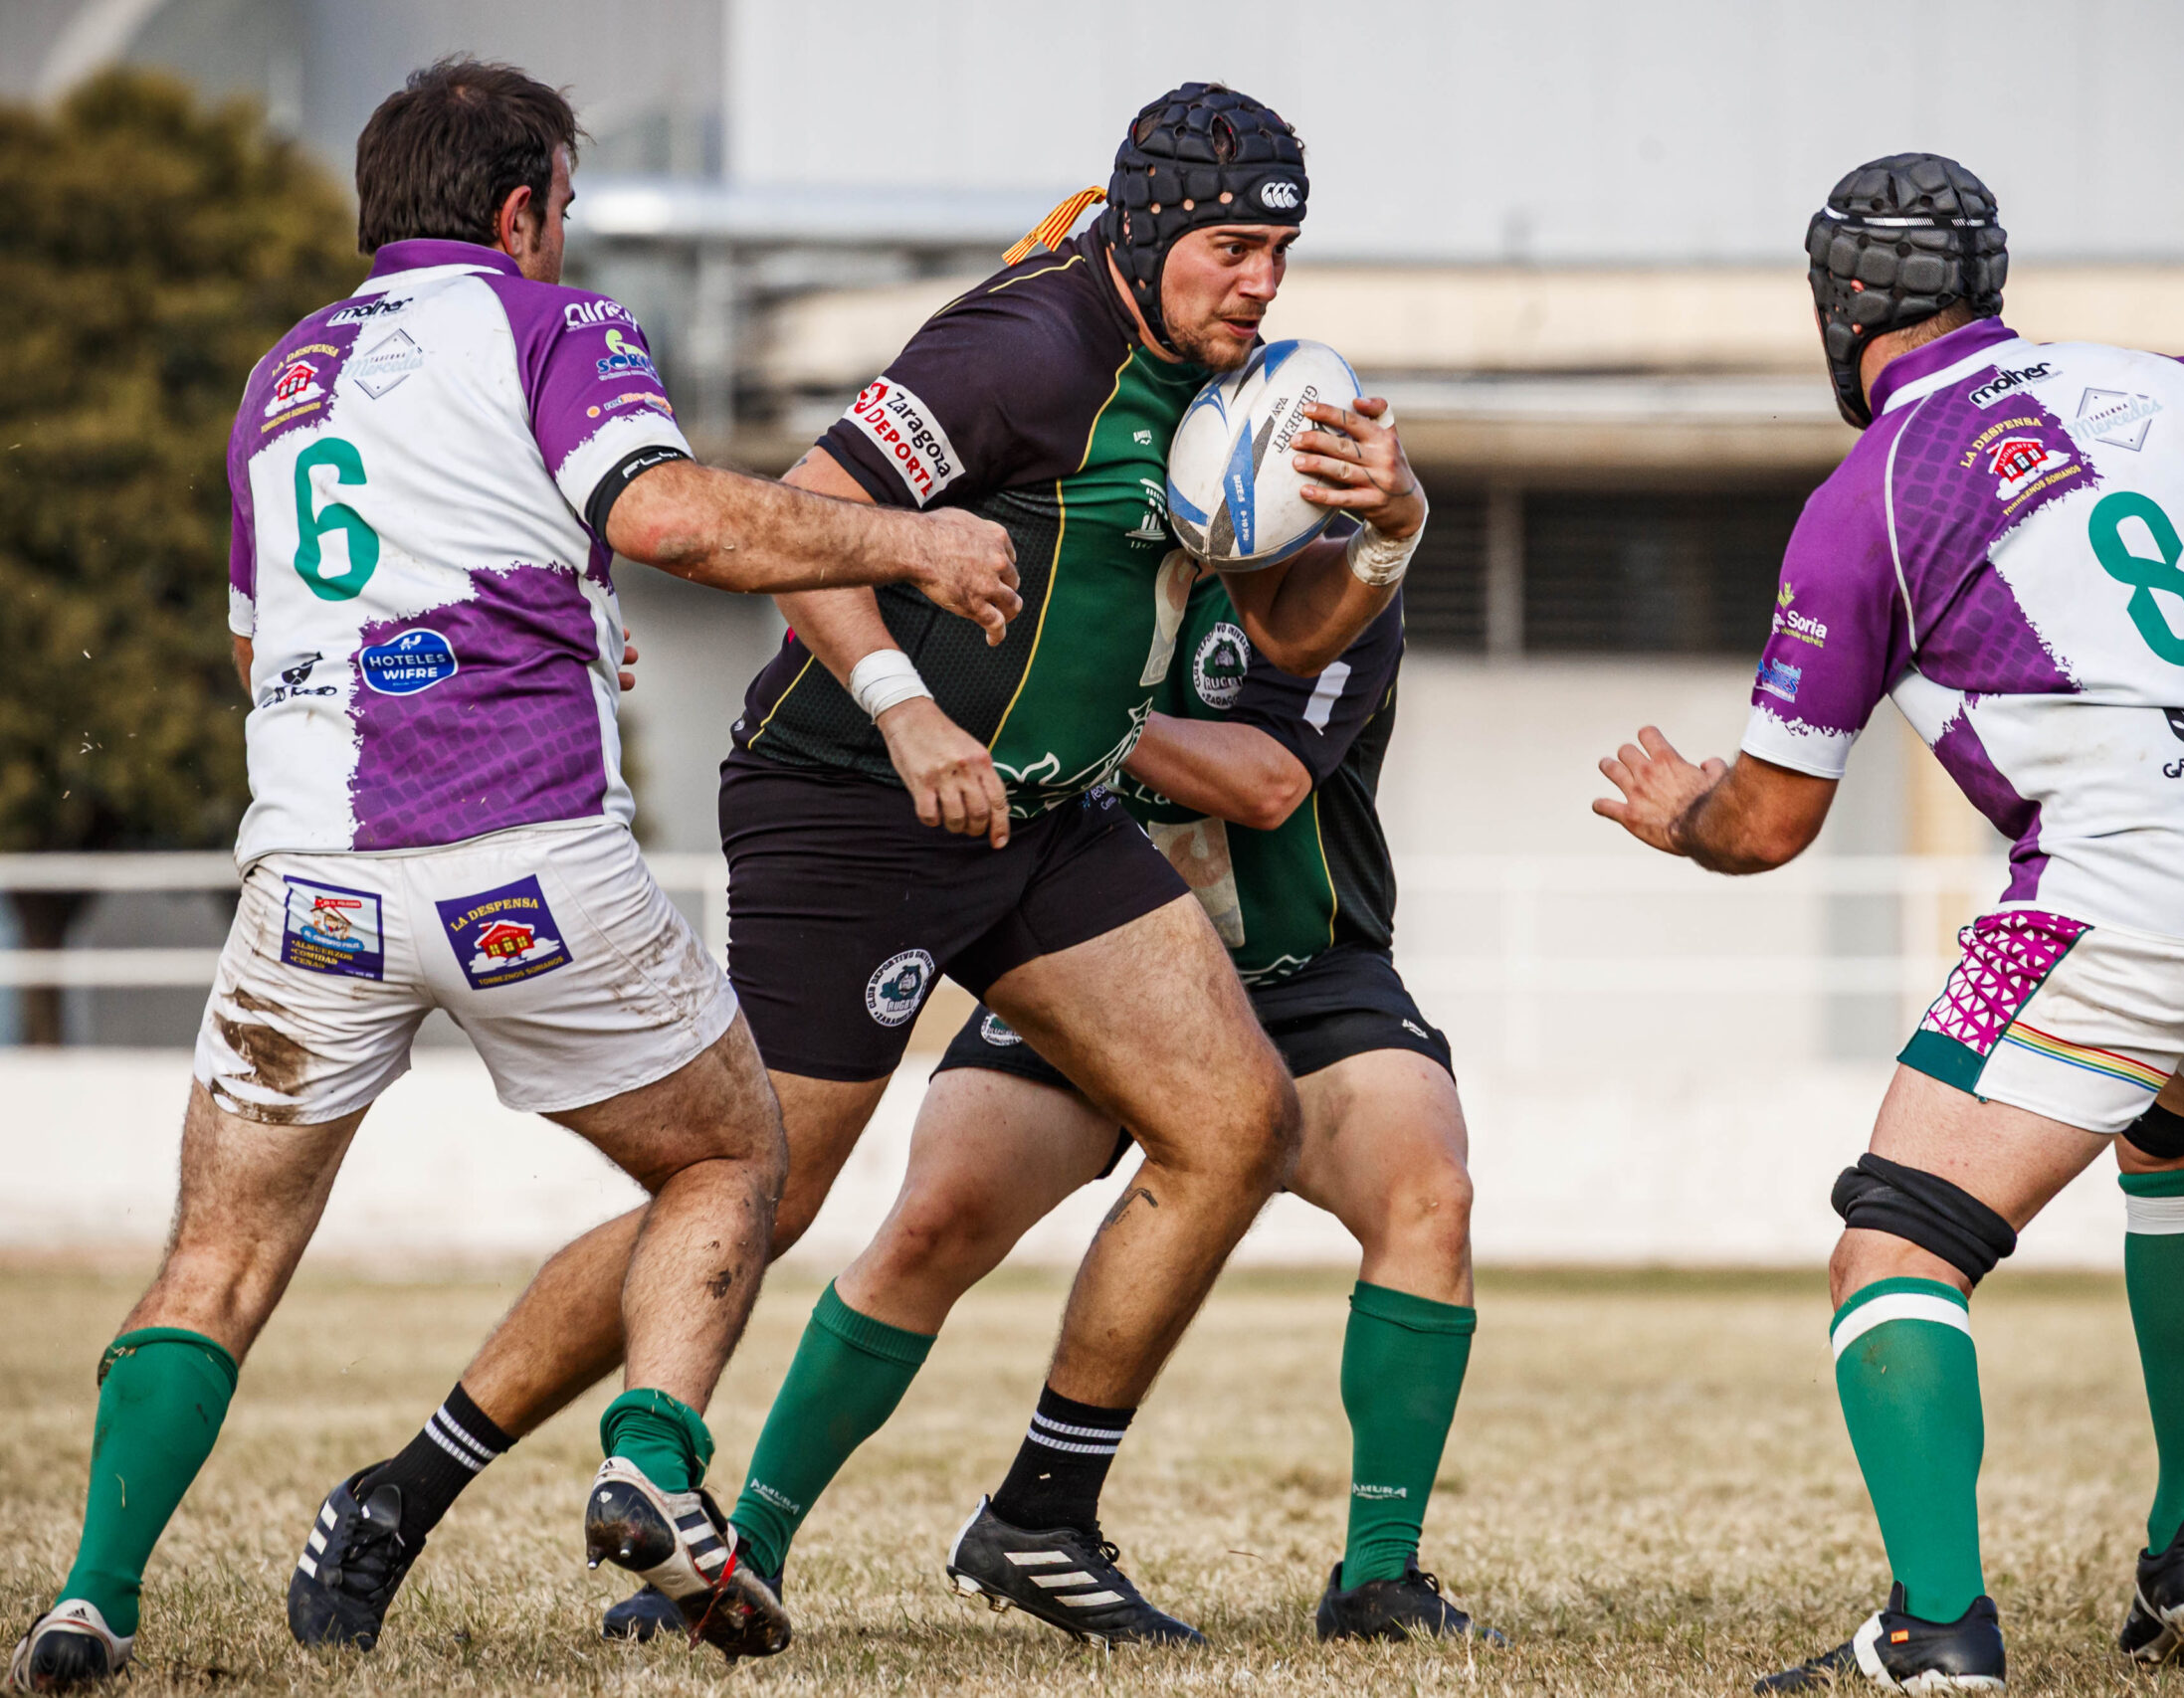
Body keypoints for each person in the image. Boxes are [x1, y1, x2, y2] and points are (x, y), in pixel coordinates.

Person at [276, 81, 1428, 1652]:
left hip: (1044, 815)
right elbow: (809, 516)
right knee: (756, 1189)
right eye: (1234, 247)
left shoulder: (1232, 381)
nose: (1263, 282)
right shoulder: (1022, 348)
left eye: (1281, 251)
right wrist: (903, 707)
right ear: (1152, 224)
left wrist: (1387, 530)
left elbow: (1290, 634)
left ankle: (1041, 1512)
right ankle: (400, 1491)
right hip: (851, 804)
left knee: (1239, 1122)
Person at [4, 57, 1021, 1692]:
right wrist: (915, 541)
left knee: (218, 1259)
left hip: (312, 888)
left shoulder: (280, 378)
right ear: (521, 208)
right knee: (731, 1154)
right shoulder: (557, 325)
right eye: (563, 205)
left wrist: (560, 619)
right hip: (523, 864)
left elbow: (274, 645)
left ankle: (92, 1595)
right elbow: (672, 515)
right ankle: (653, 1452)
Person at [1594, 153, 2184, 1692]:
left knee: (1895, 1238)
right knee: (2173, 1124)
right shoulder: (2182, 389)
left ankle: (1936, 1630)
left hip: (2128, 897)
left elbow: (1767, 823)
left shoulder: (1874, 488)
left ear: (1843, 307)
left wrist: (1681, 812)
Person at [604, 566, 1498, 1646]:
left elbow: (1265, 782)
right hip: (1091, 966)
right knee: (934, 1218)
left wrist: (1065, 708)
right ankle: (751, 1543)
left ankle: (1378, 1578)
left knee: (1428, 1196)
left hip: (1301, 970)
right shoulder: (1075, 538)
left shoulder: (1337, 573)